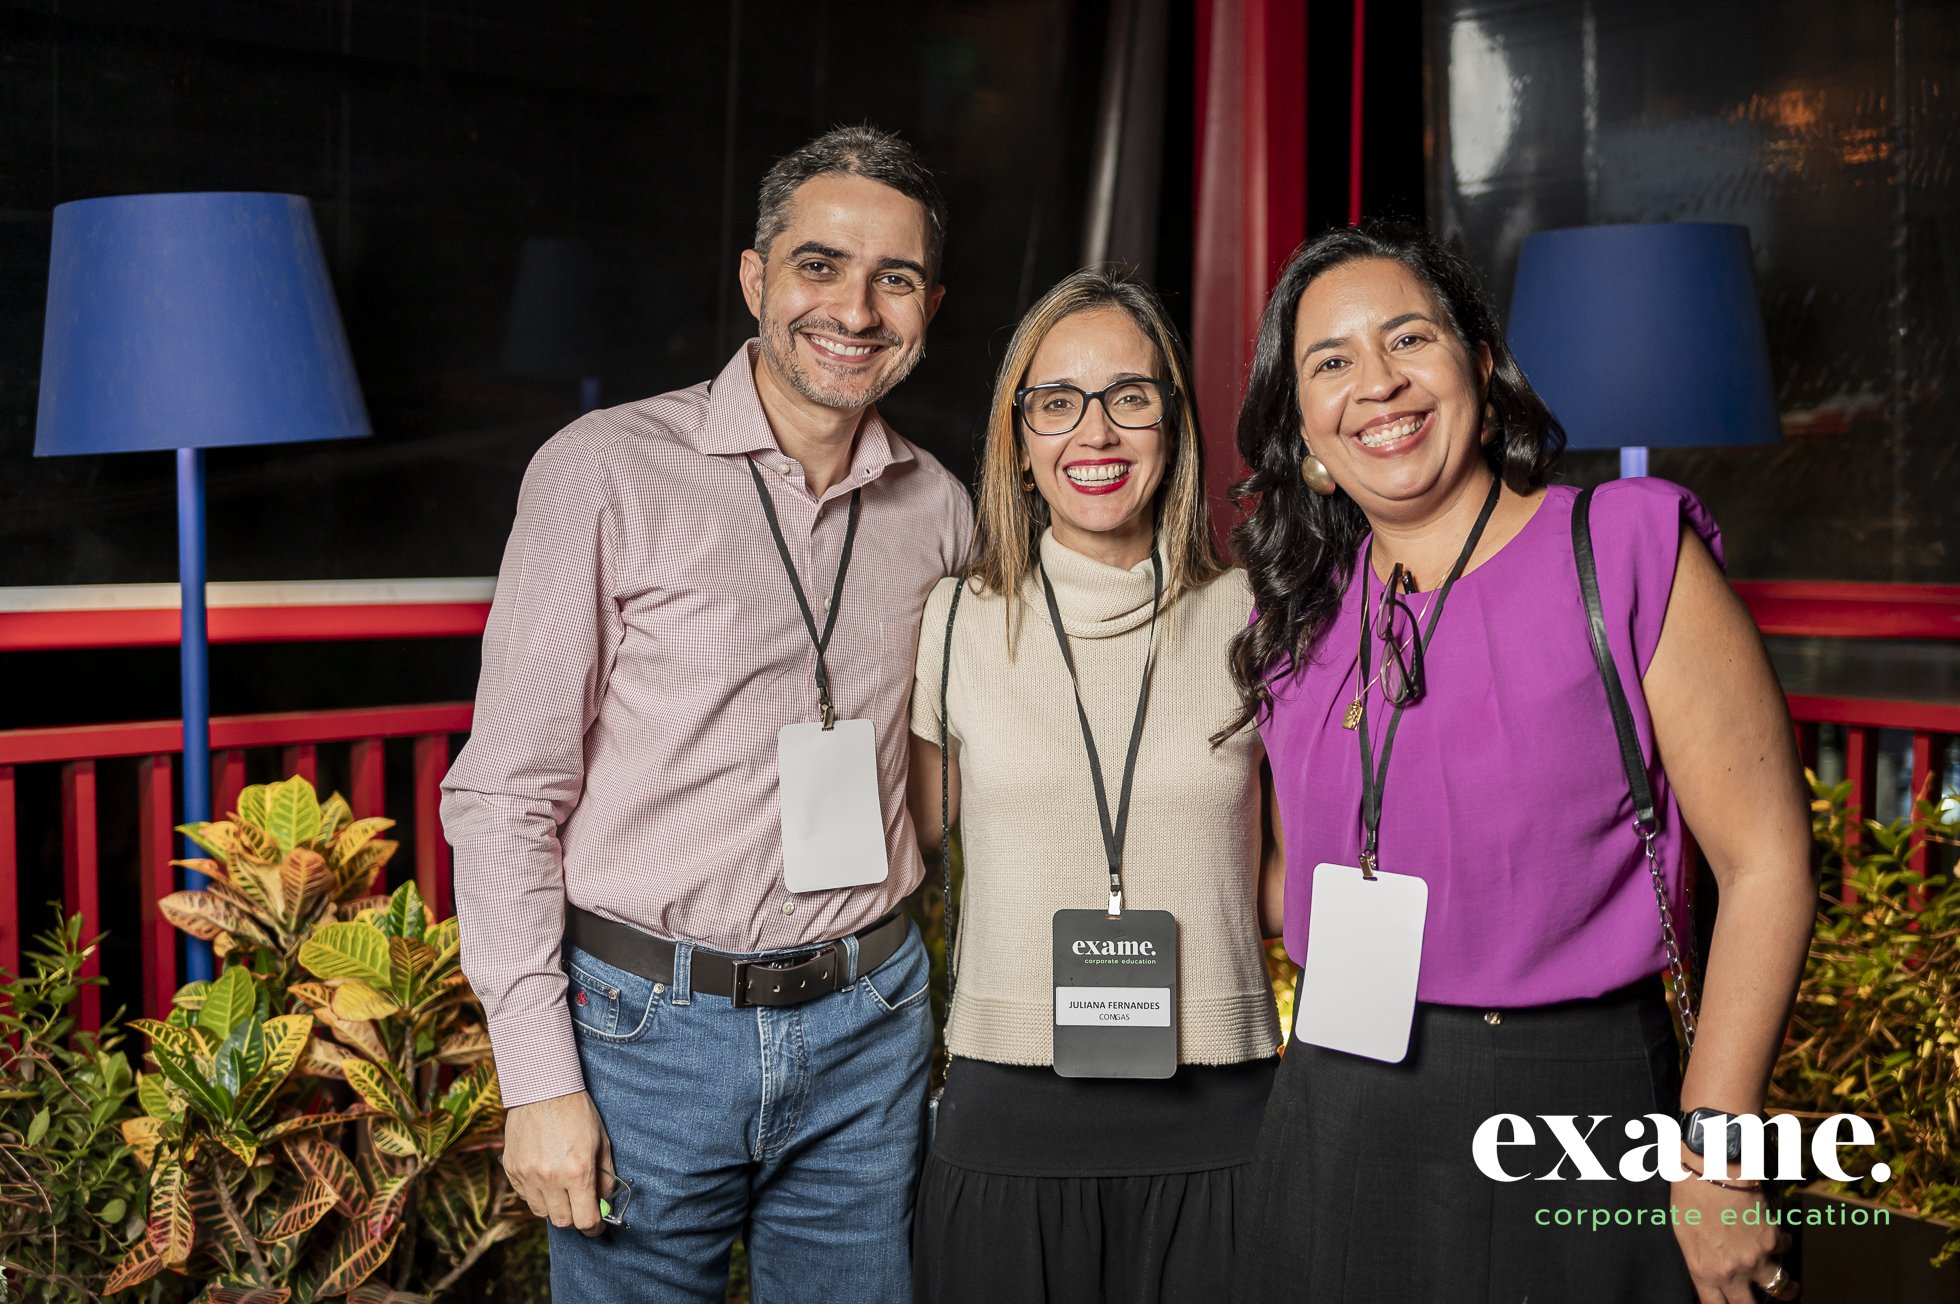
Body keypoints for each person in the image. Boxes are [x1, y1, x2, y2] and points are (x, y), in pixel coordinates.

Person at [1223, 221, 1815, 1304]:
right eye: (1332, 362)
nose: (1378, 384)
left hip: (1570, 1102)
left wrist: (1716, 1147)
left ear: (1480, 368)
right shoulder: (1293, 623)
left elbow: (1768, 861)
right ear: (1303, 428)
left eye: (1409, 338)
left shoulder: (1625, 549)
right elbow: (1281, 882)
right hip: (1335, 1103)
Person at [441, 125, 972, 1303]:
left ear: (929, 304)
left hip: (872, 1020)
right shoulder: (605, 467)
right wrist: (537, 1078)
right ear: (754, 278)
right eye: (819, 265)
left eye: (894, 277)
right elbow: (504, 794)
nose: (855, 307)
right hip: (646, 1033)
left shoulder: (939, 504)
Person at [907, 268, 1284, 1303]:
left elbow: (1290, 875)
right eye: (1056, 401)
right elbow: (915, 846)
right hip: (1006, 1124)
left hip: (1223, 1122)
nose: (1096, 432)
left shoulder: (1257, 614)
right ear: (1018, 438)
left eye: (1131, 395)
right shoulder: (954, 619)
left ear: (1172, 420)